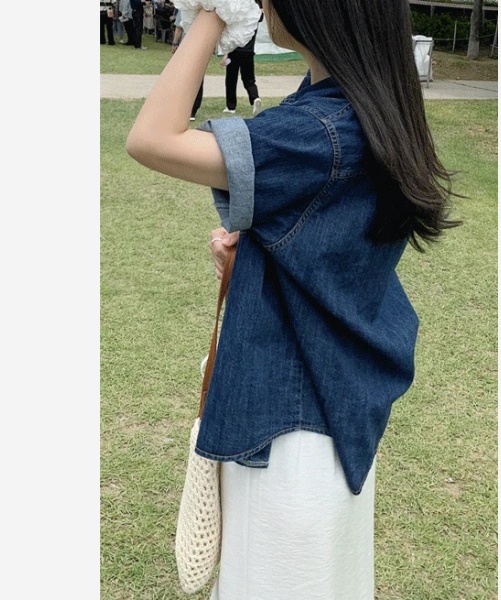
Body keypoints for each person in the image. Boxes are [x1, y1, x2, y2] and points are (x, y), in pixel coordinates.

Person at [126, 0, 460, 597]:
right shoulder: (364, 108)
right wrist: (254, 258)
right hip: (329, 421)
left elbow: (151, 138)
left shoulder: (318, 131)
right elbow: (338, 249)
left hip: (287, 435)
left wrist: (212, 13)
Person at [220, 0, 263, 115]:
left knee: (231, 79)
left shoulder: (236, 16)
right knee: (249, 79)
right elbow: (260, 15)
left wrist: (225, 54)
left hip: (234, 52)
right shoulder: (255, 17)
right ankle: (255, 97)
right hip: (249, 52)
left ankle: (231, 106)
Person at [171, 9, 204, 121]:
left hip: (187, 45)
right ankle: (193, 109)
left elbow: (179, 28)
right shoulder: (206, 8)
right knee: (198, 77)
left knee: (184, 76)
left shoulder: (185, 7)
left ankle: (182, 106)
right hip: (201, 46)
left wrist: (175, 43)